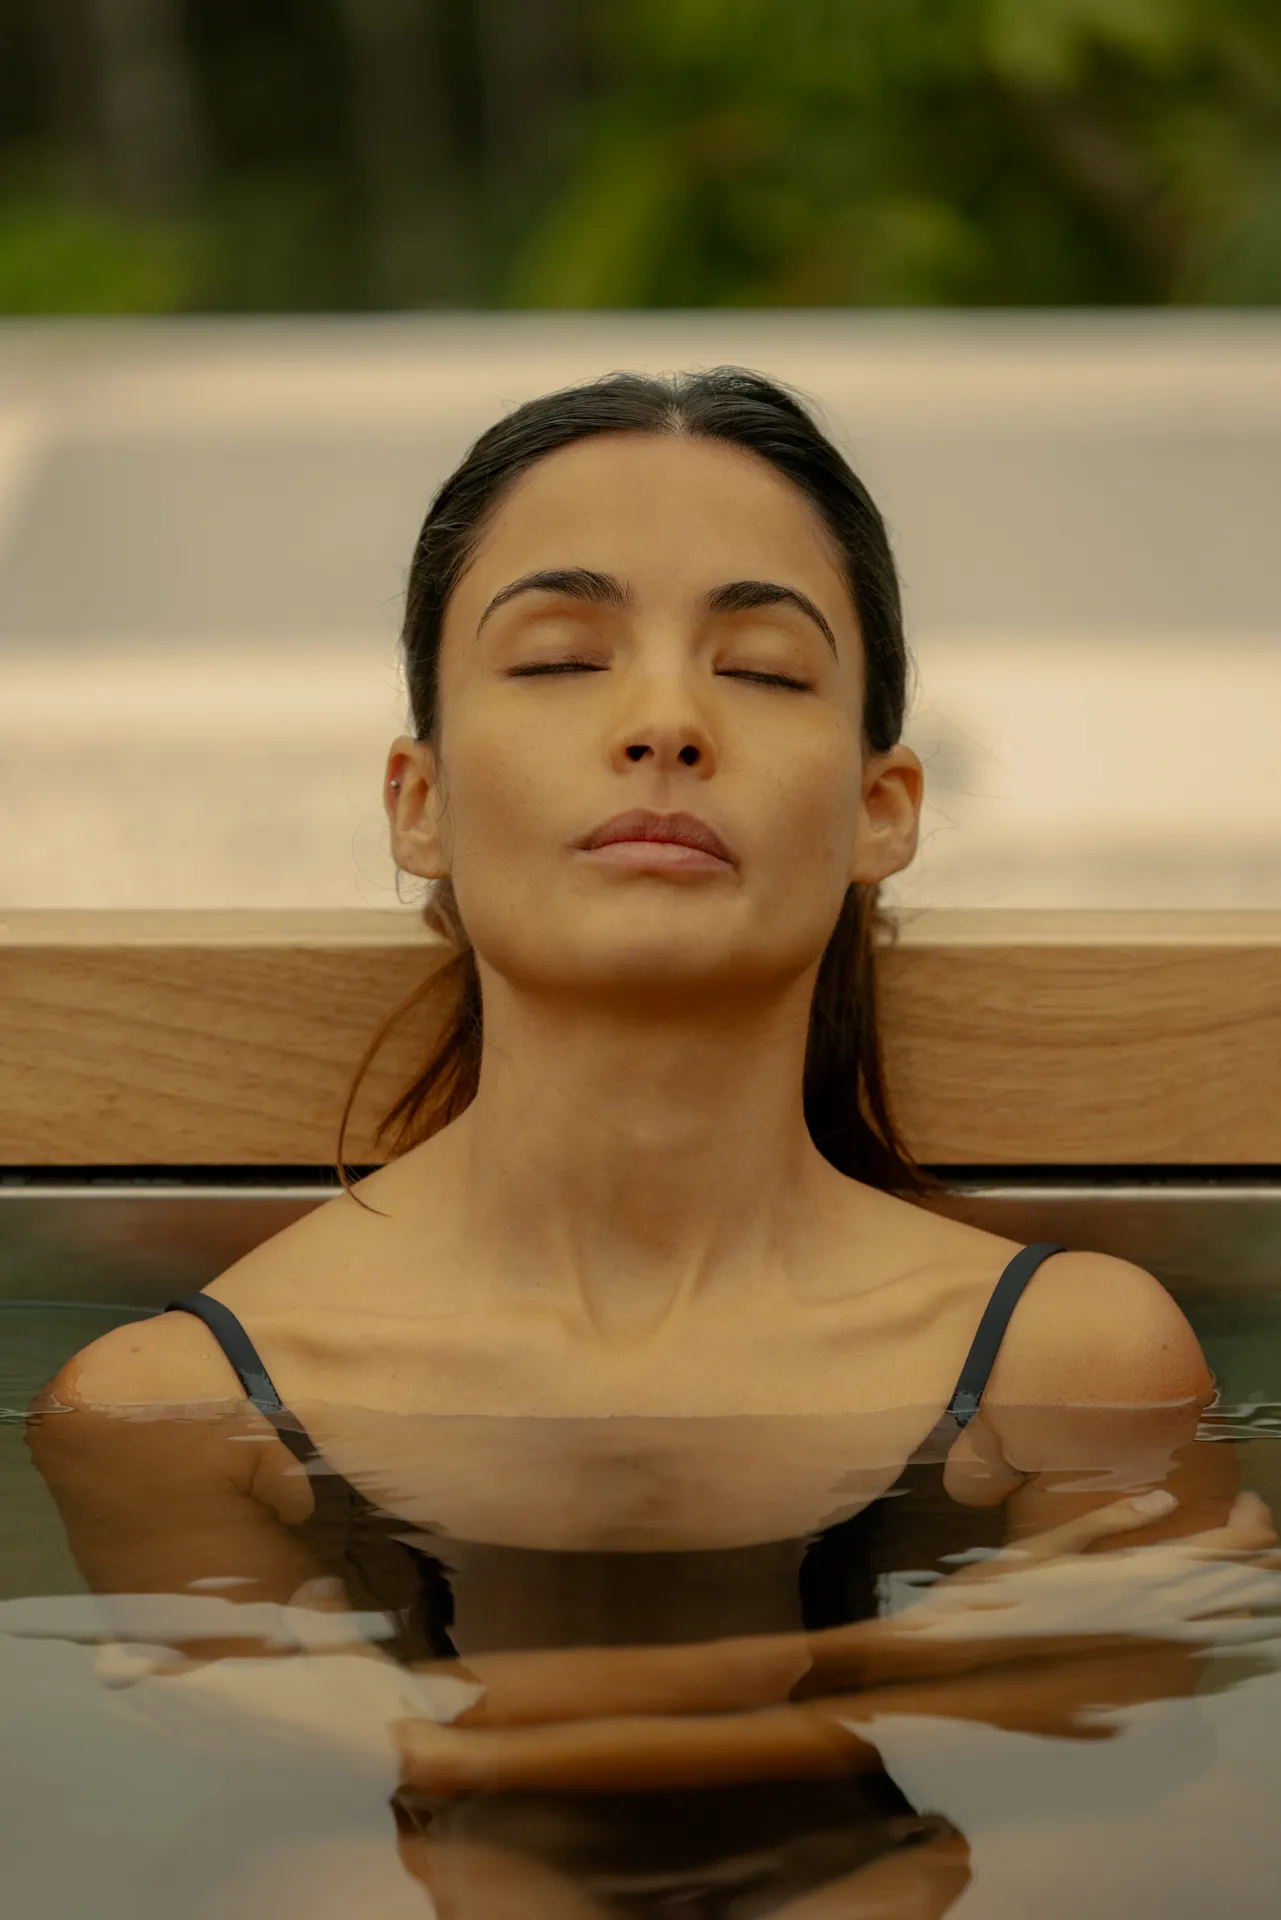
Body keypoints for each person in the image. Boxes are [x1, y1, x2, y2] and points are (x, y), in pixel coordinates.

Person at [30, 370, 1276, 1918]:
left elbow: (1124, 1767)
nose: (667, 724)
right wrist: (906, 1666)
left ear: (882, 808)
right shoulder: (169, 1410)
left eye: (759, 669)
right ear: (416, 802)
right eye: (559, 657)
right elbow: (393, 1816)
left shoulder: (1076, 1358)